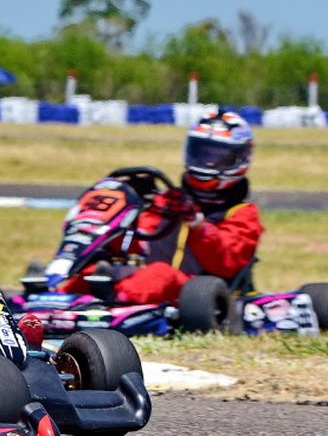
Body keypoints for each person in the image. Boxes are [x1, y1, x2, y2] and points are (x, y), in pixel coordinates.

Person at [104, 110, 262, 304]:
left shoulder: (242, 213)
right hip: (147, 283)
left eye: (218, 156)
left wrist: (198, 225)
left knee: (161, 275)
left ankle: (113, 300)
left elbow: (226, 263)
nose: (208, 162)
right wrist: (125, 212)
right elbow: (139, 240)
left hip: (201, 294)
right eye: (202, 153)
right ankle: (62, 297)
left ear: (239, 160)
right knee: (99, 269)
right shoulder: (167, 200)